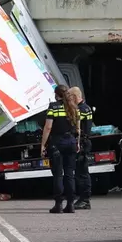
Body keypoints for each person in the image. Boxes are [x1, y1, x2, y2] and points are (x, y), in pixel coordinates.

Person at [41, 84, 80, 214]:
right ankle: (71, 204)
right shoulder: (75, 107)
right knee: (70, 174)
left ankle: (58, 204)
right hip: (71, 142)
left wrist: (43, 144)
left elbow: (48, 127)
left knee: (58, 174)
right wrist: (78, 143)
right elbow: (78, 129)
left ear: (56, 94)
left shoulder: (53, 107)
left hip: (57, 143)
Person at [69, 87, 94, 210]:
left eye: (69, 97)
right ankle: (84, 199)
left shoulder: (81, 110)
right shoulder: (87, 107)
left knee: (82, 173)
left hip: (82, 143)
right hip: (85, 141)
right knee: (82, 172)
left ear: (74, 97)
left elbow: (76, 127)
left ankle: (84, 200)